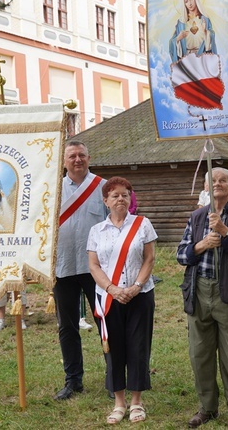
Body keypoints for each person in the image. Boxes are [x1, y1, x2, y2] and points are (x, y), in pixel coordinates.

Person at [177, 167, 228, 429]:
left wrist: (224, 231)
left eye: (224, 180)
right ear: (206, 187)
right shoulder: (198, 216)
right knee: (200, 353)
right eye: (213, 181)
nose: (218, 184)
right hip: (199, 289)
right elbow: (181, 254)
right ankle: (207, 408)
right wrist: (201, 245)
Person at [88, 177, 157, 424]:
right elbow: (93, 265)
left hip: (140, 295)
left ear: (130, 199)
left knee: (138, 347)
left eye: (125, 195)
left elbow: (149, 259)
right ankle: (119, 402)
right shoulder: (96, 231)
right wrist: (112, 288)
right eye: (115, 195)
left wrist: (136, 286)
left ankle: (137, 401)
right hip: (109, 298)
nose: (120, 199)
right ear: (105, 201)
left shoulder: (142, 224)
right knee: (113, 348)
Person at [53, 140, 109, 401]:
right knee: (67, 326)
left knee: (105, 322)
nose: (77, 160)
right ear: (63, 160)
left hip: (96, 268)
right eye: (72, 156)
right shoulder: (51, 187)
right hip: (63, 266)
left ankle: (114, 378)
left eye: (82, 155)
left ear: (89, 157)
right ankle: (73, 380)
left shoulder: (103, 187)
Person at [169, 0, 217, 64]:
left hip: (202, 60)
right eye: (186, 1)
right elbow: (172, 43)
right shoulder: (181, 22)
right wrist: (178, 38)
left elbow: (212, 38)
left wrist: (205, 32)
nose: (189, 3)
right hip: (187, 60)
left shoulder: (205, 19)